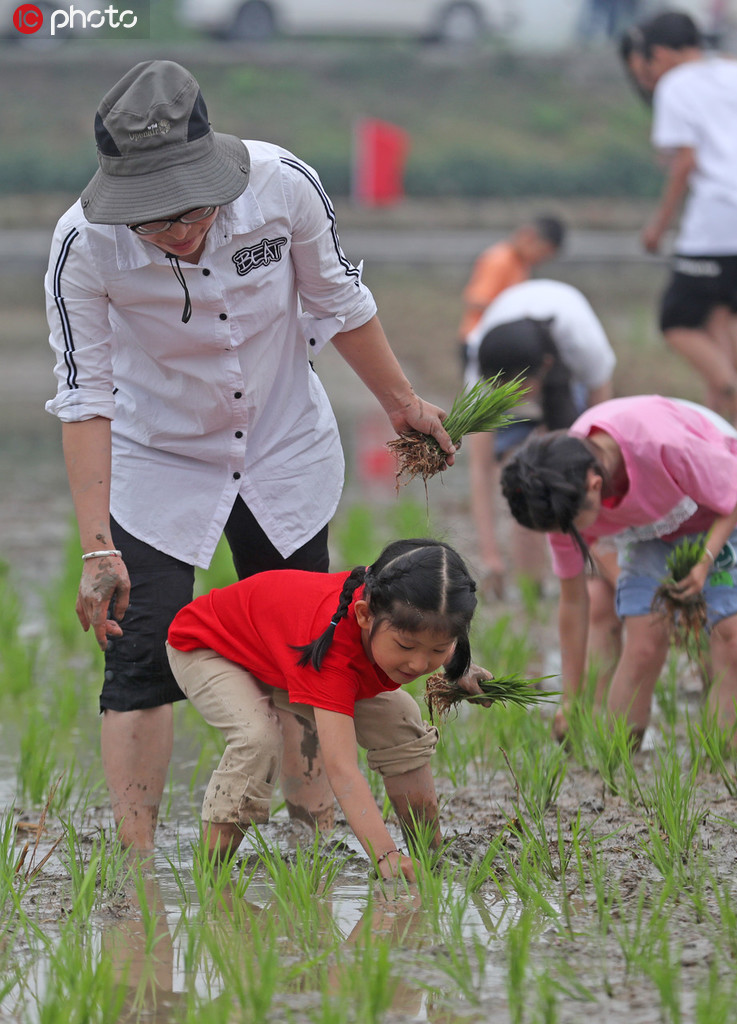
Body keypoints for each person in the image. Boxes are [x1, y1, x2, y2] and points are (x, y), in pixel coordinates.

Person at [43, 60, 456, 853]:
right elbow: (84, 394)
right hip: (156, 462)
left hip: (280, 449)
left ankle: (312, 838)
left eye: (193, 209)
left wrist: (402, 404)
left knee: (304, 649)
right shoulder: (82, 246)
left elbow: (340, 303)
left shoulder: (281, 185)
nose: (179, 231)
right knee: (139, 662)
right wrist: (98, 544)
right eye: (154, 220)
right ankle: (136, 867)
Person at [166, 539, 482, 876]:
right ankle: (210, 872)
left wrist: (459, 667)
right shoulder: (333, 654)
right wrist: (384, 855)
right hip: (210, 646)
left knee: (400, 719)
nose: (420, 664)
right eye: (406, 645)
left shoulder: (392, 602)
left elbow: (429, 635)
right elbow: (342, 770)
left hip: (279, 655)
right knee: (257, 738)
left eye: (437, 648)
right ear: (364, 615)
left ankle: (430, 856)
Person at [500, 395, 737, 745]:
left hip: (726, 497)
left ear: (595, 485)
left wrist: (705, 561)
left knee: (735, 641)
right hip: (653, 525)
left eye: (570, 527)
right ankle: (619, 757)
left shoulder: (660, 445)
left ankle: (725, 768)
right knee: (644, 639)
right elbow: (574, 603)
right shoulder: (559, 500)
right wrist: (571, 697)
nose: (566, 537)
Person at [635, 10, 737, 442]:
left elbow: (685, 161)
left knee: (676, 321)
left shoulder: (676, 86)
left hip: (717, 224)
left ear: (660, 54)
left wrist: (659, 226)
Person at [464, 279, 615, 595]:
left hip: (567, 375)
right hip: (522, 360)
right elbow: (480, 467)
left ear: (544, 369)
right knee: (524, 482)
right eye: (501, 388)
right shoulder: (483, 363)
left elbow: (604, 439)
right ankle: (531, 587)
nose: (512, 395)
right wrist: (489, 556)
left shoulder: (584, 345)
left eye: (517, 388)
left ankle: (590, 574)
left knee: (573, 475)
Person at [457, 215, 566, 365]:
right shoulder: (499, 260)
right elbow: (477, 300)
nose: (540, 260)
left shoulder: (520, 264)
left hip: (498, 342)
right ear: (529, 237)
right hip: (479, 343)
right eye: (542, 253)